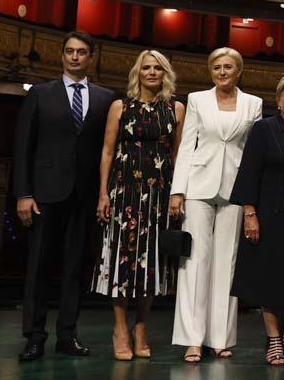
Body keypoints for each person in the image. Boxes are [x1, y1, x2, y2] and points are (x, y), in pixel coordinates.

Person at [13, 31, 116, 361]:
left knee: (75, 269)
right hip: (43, 195)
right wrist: (23, 194)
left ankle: (68, 336)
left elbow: (107, 150)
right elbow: (23, 148)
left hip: (84, 196)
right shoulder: (41, 94)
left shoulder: (105, 98)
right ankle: (35, 336)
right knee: (39, 268)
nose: (75, 57)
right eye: (69, 51)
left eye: (81, 52)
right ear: (61, 55)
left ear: (91, 58)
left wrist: (104, 193)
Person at [169, 47, 263, 362]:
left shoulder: (254, 104)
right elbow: (186, 146)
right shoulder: (197, 100)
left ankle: (220, 338)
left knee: (228, 261)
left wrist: (251, 196)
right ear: (211, 71)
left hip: (235, 187)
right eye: (217, 67)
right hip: (198, 184)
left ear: (239, 71)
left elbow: (253, 154)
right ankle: (192, 339)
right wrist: (177, 190)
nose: (222, 72)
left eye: (228, 67)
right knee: (195, 260)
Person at [92, 50, 186, 360]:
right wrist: (103, 194)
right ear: (137, 72)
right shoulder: (121, 106)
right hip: (123, 193)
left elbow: (178, 156)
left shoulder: (176, 108)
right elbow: (107, 151)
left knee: (152, 263)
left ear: (165, 73)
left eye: (157, 68)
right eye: (146, 67)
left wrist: (177, 193)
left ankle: (141, 327)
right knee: (121, 258)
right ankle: (120, 329)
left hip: (159, 194)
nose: (151, 72)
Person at [229, 74, 284, 365]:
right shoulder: (264, 129)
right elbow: (250, 172)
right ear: (278, 100)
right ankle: (274, 339)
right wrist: (250, 214)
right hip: (270, 215)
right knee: (271, 278)